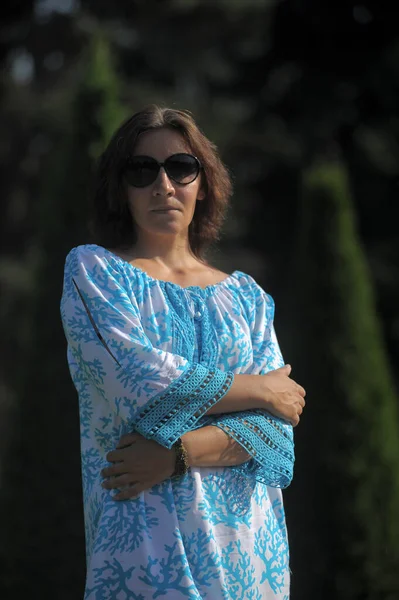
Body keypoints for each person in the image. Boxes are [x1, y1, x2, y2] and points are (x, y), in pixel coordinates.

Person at [60, 105, 306, 599]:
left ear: (203, 180)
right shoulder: (95, 273)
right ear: (120, 186)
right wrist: (258, 390)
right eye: (142, 170)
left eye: (181, 167)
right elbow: (137, 385)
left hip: (252, 560)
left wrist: (177, 455)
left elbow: (278, 437)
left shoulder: (248, 298)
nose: (163, 185)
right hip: (145, 555)